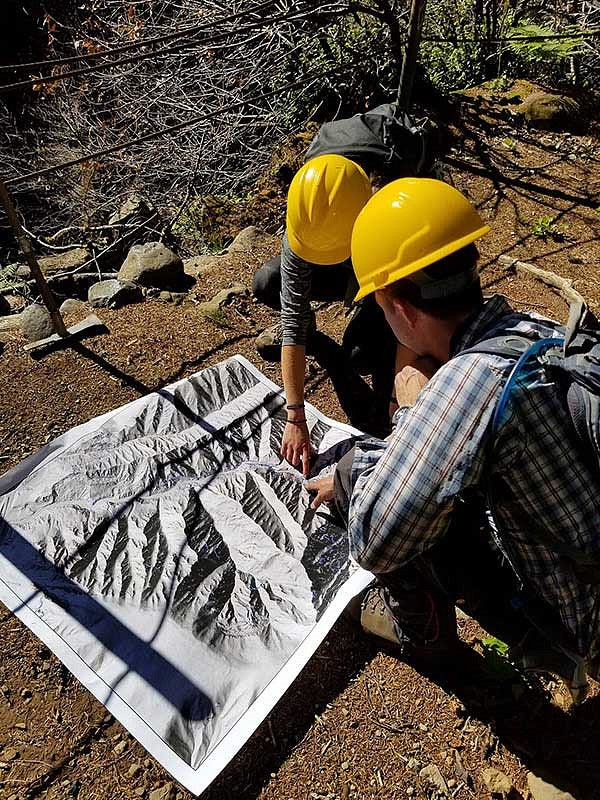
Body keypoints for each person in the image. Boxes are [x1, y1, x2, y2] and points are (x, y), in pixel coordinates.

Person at [306, 177, 600, 703]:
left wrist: (413, 413)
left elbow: (375, 540)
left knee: (372, 489)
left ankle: (438, 637)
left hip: (587, 614)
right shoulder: (537, 327)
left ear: (398, 307)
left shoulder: (470, 381)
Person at [253, 153, 407, 476]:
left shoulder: (388, 217)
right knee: (268, 281)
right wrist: (295, 415)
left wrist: (397, 413)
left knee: (362, 352)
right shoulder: (307, 214)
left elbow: (408, 322)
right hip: (348, 254)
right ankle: (324, 343)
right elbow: (293, 320)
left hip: (371, 261)